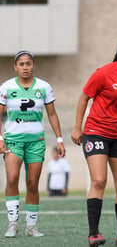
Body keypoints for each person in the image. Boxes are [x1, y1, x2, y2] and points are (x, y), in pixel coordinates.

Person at [71, 32, 117, 247]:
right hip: (96, 132)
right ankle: (93, 233)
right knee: (99, 180)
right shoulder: (104, 73)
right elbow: (84, 97)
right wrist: (78, 128)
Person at [0, 50, 66, 238]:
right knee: (12, 178)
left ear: (33, 66)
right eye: (21, 64)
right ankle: (13, 223)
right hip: (13, 140)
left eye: (28, 64)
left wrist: (60, 139)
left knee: (32, 183)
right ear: (15, 67)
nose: (25, 67)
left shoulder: (44, 87)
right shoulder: (6, 87)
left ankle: (31, 226)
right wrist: (0, 138)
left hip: (36, 142)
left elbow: (52, 114)